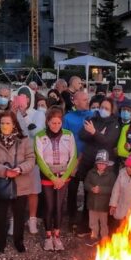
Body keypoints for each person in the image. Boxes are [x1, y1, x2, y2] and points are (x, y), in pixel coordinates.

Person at [0, 110, 35, 254]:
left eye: (8, 123)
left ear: (14, 124)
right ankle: (0, 242)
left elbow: (31, 159)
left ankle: (19, 241)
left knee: (19, 215)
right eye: (2, 123)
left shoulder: (24, 140)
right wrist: (4, 171)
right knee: (0, 215)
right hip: (1, 184)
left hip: (21, 183)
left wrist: (20, 168)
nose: (5, 126)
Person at [34, 107, 78, 251]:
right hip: (48, 176)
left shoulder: (68, 135)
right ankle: (48, 237)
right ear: (47, 122)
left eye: (59, 123)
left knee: (59, 206)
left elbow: (73, 157)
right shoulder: (40, 136)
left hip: (63, 177)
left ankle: (57, 236)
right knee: (49, 206)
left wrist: (63, 178)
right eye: (53, 123)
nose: (56, 126)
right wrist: (53, 178)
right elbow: (40, 159)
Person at [13, 93, 46, 235]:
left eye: (26, 97)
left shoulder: (38, 114)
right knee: (16, 190)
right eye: (21, 97)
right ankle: (14, 220)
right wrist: (13, 111)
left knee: (33, 191)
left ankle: (32, 219)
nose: (24, 100)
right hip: (16, 156)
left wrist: (24, 114)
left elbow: (36, 132)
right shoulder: (13, 112)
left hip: (32, 156)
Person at [62, 90, 94, 233]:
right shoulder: (68, 118)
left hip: (89, 159)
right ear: (75, 101)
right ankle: (72, 218)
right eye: (84, 99)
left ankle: (86, 219)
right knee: (72, 190)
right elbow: (64, 140)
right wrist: (72, 160)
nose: (87, 102)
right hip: (73, 160)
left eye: (87, 99)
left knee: (88, 190)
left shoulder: (93, 115)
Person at [83, 149, 115, 243]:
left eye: (103, 164)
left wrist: (101, 189)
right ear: (96, 163)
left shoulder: (111, 175)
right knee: (93, 221)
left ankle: (104, 236)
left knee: (103, 222)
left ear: (107, 164)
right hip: (92, 203)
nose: (101, 165)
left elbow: (112, 188)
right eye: (99, 163)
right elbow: (86, 184)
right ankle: (94, 236)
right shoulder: (91, 173)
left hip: (104, 204)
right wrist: (91, 188)